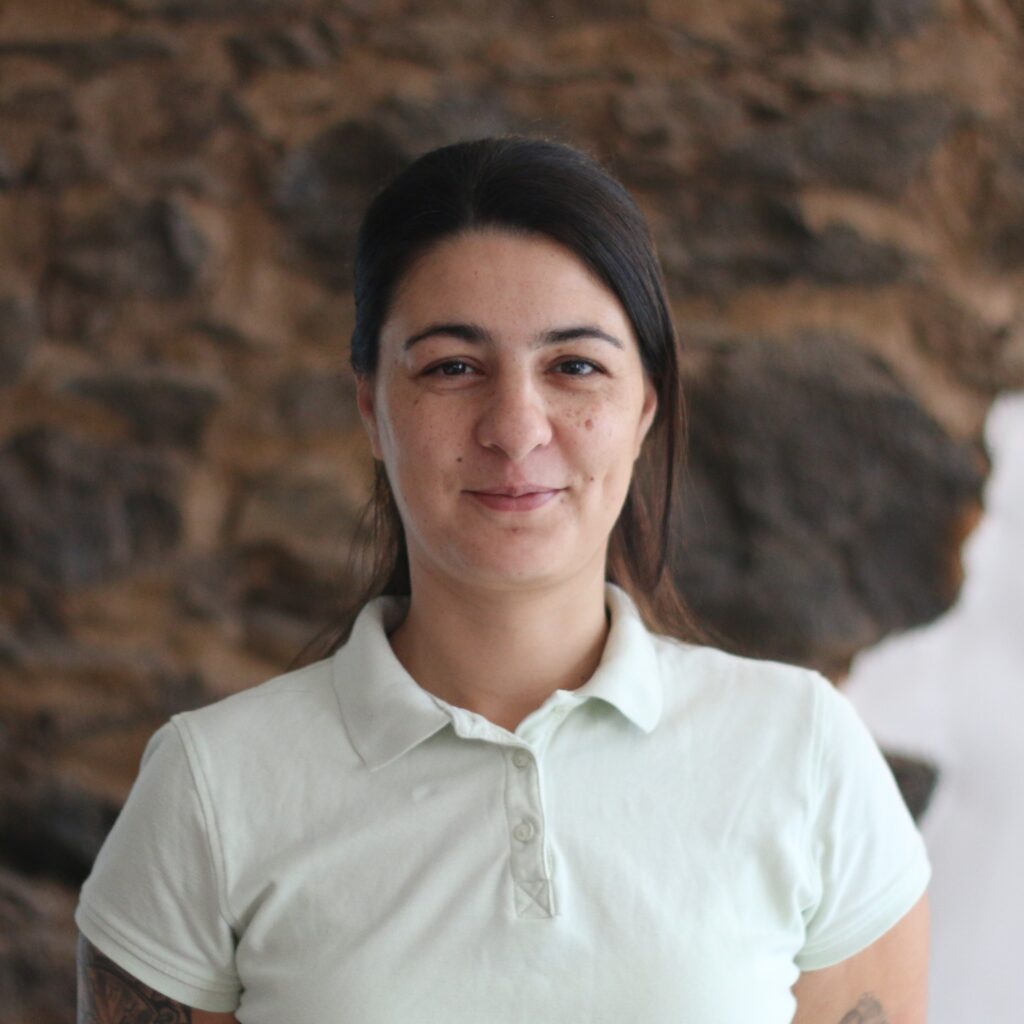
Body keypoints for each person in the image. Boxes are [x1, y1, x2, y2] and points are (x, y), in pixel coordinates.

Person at [75, 137, 930, 1024]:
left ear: (644, 406)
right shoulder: (209, 788)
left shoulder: (803, 752)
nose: (517, 428)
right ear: (371, 405)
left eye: (575, 366)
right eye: (452, 367)